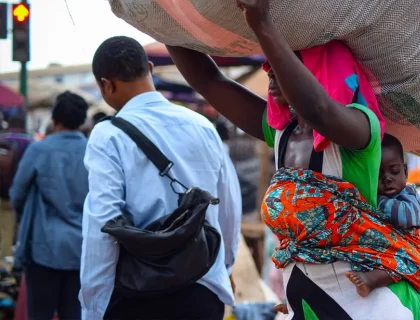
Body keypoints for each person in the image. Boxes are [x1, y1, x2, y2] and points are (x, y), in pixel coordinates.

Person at [168, 0, 420, 319]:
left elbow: (320, 109)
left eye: (290, 65)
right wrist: (162, 16)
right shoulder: (282, 131)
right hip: (311, 302)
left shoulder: (361, 131)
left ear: (322, 75)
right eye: (272, 66)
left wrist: (263, 25)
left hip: (372, 307)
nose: (271, 73)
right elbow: (209, 80)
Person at [81, 37, 241, 320]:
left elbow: (102, 226)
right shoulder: (202, 125)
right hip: (201, 288)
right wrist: (222, 268)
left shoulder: (108, 135)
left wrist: (94, 306)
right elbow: (228, 206)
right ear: (151, 69)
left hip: (137, 291)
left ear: (106, 84)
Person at [9, 92, 90, 320]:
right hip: (83, 249)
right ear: (82, 121)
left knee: (40, 313)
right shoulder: (94, 151)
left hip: (43, 247)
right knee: (74, 313)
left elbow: (17, 194)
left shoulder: (39, 150)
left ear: (54, 121)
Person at [346, 134, 420, 297]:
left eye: (394, 171)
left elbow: (405, 217)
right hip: (380, 253)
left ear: (405, 172)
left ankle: (371, 281)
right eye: (378, 174)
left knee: (404, 264)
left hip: (409, 255)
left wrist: (376, 201)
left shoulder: (409, 195)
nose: (387, 178)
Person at [0, 115, 33, 258]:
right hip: (15, 194)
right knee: (11, 229)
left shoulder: (2, 139)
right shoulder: (31, 143)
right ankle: (7, 261)